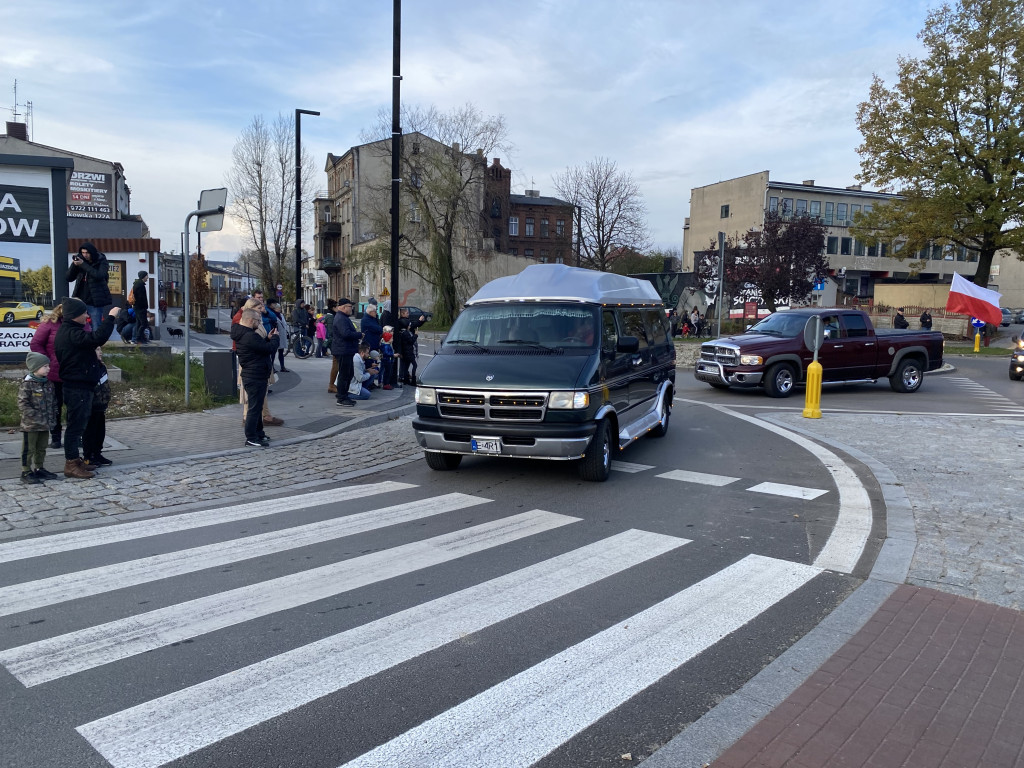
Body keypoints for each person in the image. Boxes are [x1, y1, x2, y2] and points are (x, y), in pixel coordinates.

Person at [54, 296, 119, 479]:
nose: (87, 315)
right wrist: (111, 318)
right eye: (84, 312)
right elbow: (97, 338)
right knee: (75, 428)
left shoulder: (71, 330)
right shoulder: (71, 333)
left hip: (81, 386)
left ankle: (76, 460)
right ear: (75, 315)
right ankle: (71, 464)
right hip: (77, 388)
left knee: (79, 425)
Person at [230, 308, 279, 447]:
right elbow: (268, 349)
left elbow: (259, 347)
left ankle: (259, 433)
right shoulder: (249, 336)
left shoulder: (246, 334)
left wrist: (267, 339)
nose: (260, 323)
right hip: (254, 375)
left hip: (256, 374)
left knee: (257, 408)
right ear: (251, 320)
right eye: (258, 321)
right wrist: (275, 338)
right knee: (254, 408)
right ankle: (251, 437)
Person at [17, 351, 59, 484]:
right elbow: (23, 403)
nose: (48, 369)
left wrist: (54, 414)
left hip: (45, 424)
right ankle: (26, 471)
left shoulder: (48, 383)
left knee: (42, 447)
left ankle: (39, 467)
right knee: (29, 449)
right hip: (31, 425)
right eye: (45, 366)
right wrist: (35, 415)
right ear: (35, 367)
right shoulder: (27, 384)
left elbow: (53, 402)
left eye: (48, 366)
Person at [29, 304, 65, 449]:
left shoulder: (82, 324)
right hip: (54, 373)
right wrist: (48, 361)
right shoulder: (49, 324)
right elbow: (36, 344)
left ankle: (75, 437)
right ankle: (56, 437)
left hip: (75, 373)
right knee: (54, 407)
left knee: (75, 408)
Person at [67, 242, 113, 330]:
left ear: (92, 252)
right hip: (80, 298)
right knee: (77, 324)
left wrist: (83, 265)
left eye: (87, 253)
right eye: (83, 253)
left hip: (94, 300)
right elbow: (69, 278)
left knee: (96, 325)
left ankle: (97, 343)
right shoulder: (81, 261)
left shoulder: (101, 260)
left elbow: (99, 275)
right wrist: (74, 265)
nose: (85, 255)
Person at [83, 347, 113, 468]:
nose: (100, 352)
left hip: (101, 404)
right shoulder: (87, 367)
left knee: (100, 431)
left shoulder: (102, 367)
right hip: (91, 405)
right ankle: (88, 456)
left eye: (100, 349)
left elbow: (105, 385)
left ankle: (97, 453)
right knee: (90, 431)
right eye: (97, 350)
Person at [331, 298, 361, 407]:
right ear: (344, 307)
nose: (351, 308)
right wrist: (359, 335)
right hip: (343, 350)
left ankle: (345, 395)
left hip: (346, 349)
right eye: (350, 306)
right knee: (344, 375)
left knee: (349, 374)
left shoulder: (343, 317)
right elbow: (346, 334)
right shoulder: (341, 318)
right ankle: (341, 398)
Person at [267, 299, 290, 372]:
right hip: (276, 335)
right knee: (273, 352)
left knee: (281, 351)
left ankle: (282, 366)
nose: (279, 309)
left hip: (282, 335)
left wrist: (287, 332)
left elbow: (284, 324)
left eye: (280, 308)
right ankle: (272, 367)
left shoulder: (281, 315)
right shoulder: (272, 315)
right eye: (278, 308)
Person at [131, 270, 150, 343]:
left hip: (138, 307)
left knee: (139, 323)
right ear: (143, 276)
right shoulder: (140, 285)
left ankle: (139, 338)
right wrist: (144, 306)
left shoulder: (138, 284)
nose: (147, 277)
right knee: (144, 323)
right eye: (146, 276)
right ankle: (138, 338)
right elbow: (141, 298)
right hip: (140, 308)